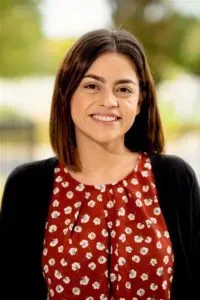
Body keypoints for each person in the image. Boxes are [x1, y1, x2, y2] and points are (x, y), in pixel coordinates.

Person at [0, 28, 200, 300]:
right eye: (92, 85)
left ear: (139, 101)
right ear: (67, 92)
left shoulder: (175, 178)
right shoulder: (27, 186)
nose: (109, 101)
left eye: (124, 89)